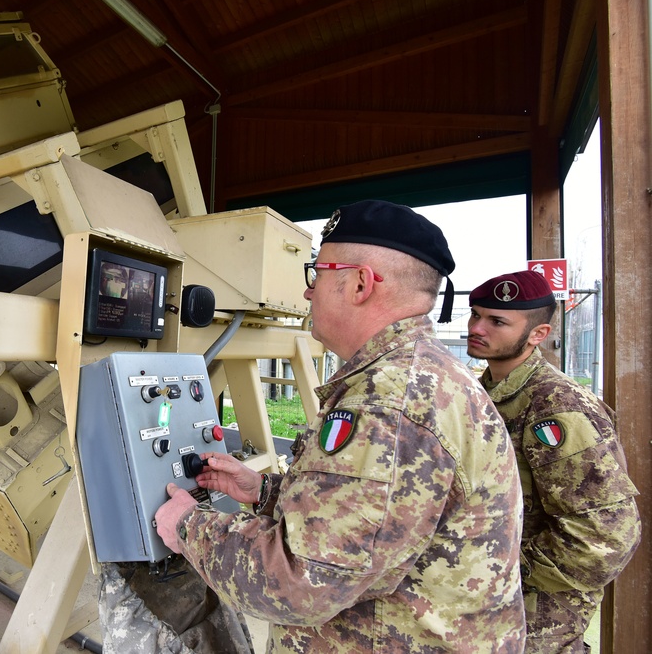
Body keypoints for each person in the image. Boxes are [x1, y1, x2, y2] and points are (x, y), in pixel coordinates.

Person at [154, 199, 526, 652]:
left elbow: (300, 583)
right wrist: (265, 492)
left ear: (360, 284)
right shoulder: (423, 377)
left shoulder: (389, 403)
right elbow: (382, 521)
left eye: (318, 273)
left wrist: (190, 527)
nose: (309, 292)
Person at [466, 269, 640, 652]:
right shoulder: (485, 395)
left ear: (538, 335)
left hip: (534, 622)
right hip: (486, 611)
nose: (478, 327)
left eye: (497, 321)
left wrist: (506, 574)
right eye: (475, 314)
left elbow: (606, 535)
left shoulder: (555, 405)